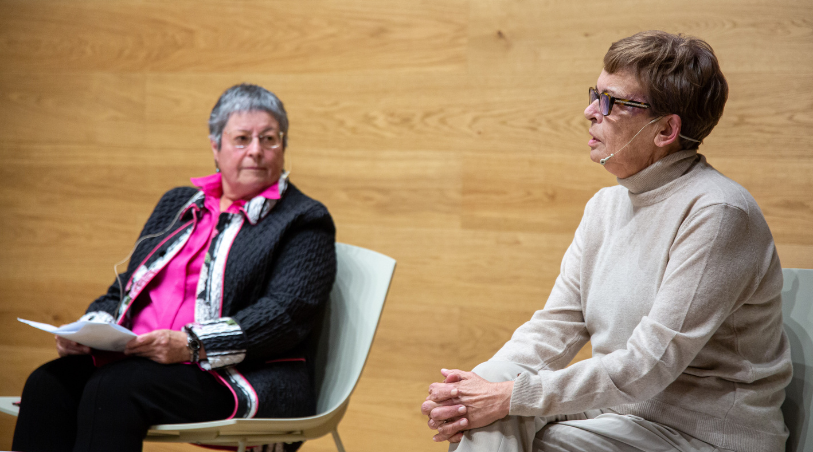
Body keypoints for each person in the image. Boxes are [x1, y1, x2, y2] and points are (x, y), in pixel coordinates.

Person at [422, 31, 791, 452]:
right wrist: (472, 391)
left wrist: (509, 395)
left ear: (666, 129)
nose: (589, 111)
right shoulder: (606, 205)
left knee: (534, 433)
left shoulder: (719, 214)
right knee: (485, 422)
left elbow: (648, 365)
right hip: (620, 411)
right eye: (594, 94)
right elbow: (554, 327)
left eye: (611, 102)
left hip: (700, 433)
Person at [12, 84, 337, 452]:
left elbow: (285, 315)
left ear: (284, 146)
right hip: (138, 360)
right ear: (215, 147)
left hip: (233, 373)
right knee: (47, 383)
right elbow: (125, 289)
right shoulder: (179, 204)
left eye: (269, 139)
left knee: (112, 390)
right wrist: (90, 330)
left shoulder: (304, 218)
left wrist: (192, 345)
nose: (256, 151)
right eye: (242, 138)